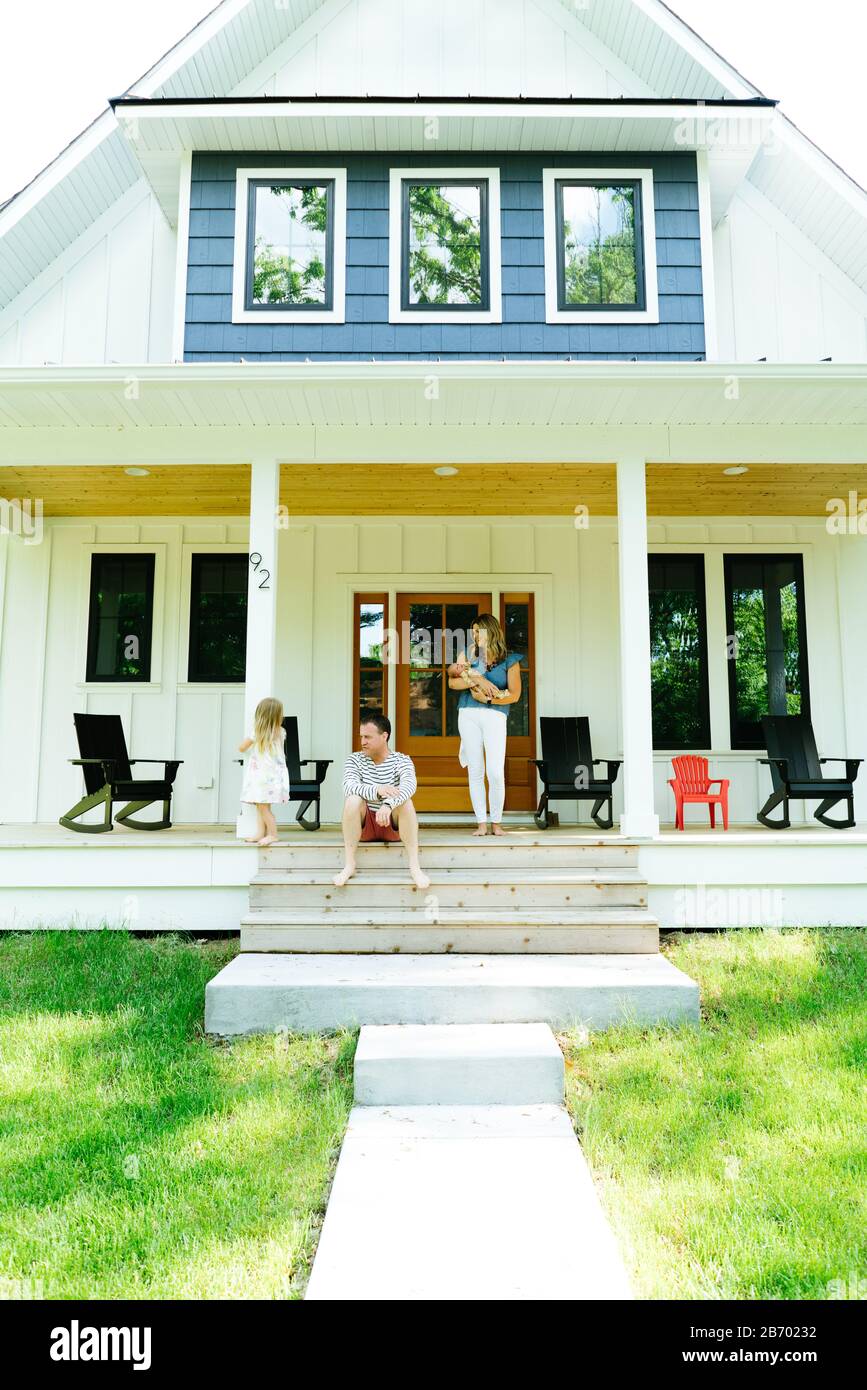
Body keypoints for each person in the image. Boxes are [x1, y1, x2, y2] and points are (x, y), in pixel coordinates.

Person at [334, 713, 430, 890]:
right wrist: (377, 790)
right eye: (361, 736)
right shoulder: (354, 759)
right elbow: (348, 786)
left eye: (368, 737)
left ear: (384, 736)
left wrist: (387, 805)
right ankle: (349, 864)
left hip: (392, 825)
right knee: (352, 800)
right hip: (365, 826)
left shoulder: (402, 760)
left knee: (406, 802)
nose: (363, 741)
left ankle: (414, 867)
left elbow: (410, 787)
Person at [448, 614, 522, 836]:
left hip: (495, 715)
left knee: (495, 771)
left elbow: (515, 695)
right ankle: (481, 822)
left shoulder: (510, 659)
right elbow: (452, 681)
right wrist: (478, 679)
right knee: (476, 770)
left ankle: (496, 822)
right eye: (474, 631)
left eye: (480, 630)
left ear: (492, 631)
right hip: (468, 714)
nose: (475, 635)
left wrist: (488, 699)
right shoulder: (468, 654)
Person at [238, 697, 289, 847]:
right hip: (274, 777)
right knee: (262, 806)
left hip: (262, 776)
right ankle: (260, 833)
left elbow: (242, 747)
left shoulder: (258, 732)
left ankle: (272, 834)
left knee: (262, 807)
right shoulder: (281, 732)